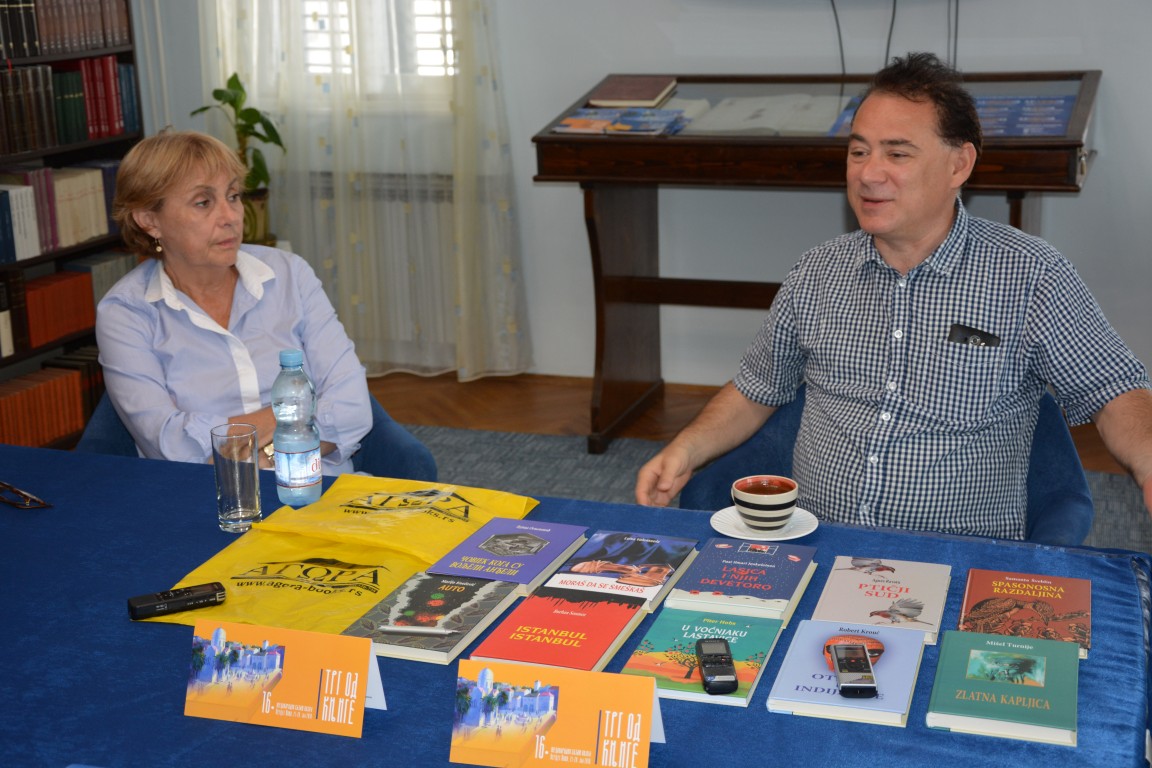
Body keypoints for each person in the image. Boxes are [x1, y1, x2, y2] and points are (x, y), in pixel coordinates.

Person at [636, 53, 1152, 539]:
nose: (868, 173)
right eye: (858, 151)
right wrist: (685, 449)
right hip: (818, 544)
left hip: (956, 560)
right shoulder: (817, 271)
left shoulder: (1030, 274)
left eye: (897, 153)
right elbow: (757, 388)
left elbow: (1114, 390)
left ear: (959, 165)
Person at [98, 129, 387, 476]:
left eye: (233, 196)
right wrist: (295, 416)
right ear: (149, 220)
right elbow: (168, 443)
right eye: (203, 202)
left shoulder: (289, 274)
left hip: (322, 488)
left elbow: (352, 406)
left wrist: (257, 453)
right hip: (208, 498)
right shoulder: (125, 313)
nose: (231, 216)